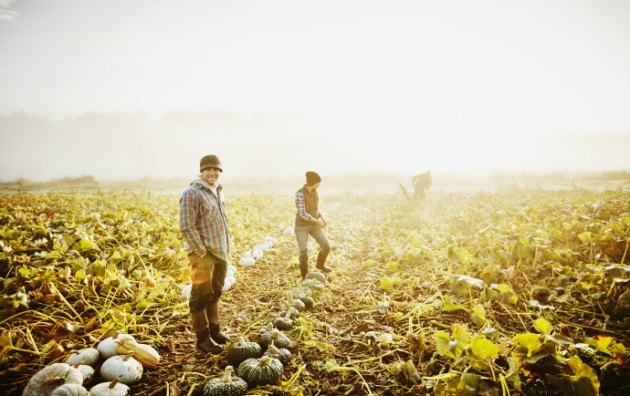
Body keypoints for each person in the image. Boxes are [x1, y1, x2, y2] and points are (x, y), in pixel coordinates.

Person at [179, 154, 231, 354]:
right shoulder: (192, 193)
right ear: (202, 171)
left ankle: (215, 332)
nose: (213, 173)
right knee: (201, 295)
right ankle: (203, 339)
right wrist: (201, 252)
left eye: (216, 169)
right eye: (209, 169)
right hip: (202, 253)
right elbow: (186, 226)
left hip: (220, 250)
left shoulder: (218, 190)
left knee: (215, 292)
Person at [294, 171, 332, 279]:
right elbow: (302, 213)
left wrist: (321, 217)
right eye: (318, 183)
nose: (319, 185)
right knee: (303, 252)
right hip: (302, 227)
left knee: (326, 246)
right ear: (313, 183)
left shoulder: (314, 192)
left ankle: (320, 265)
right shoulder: (300, 194)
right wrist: (317, 221)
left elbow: (315, 208)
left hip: (313, 224)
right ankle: (305, 275)